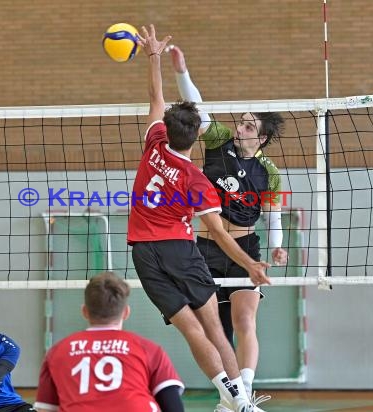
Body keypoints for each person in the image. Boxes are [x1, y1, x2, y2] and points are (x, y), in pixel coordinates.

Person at [127, 24, 272, 412]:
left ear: (167, 130)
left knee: (193, 330)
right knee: (213, 327)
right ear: (197, 140)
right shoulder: (197, 181)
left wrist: (153, 56)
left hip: (142, 252)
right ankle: (241, 403)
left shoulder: (153, 142)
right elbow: (223, 237)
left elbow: (155, 96)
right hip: (181, 249)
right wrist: (252, 265)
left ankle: (231, 398)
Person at [169, 45, 289, 411]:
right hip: (204, 248)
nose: (240, 126)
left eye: (249, 125)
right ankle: (230, 397)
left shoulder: (269, 172)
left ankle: (245, 393)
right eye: (242, 120)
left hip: (244, 248)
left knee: (244, 318)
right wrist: (182, 71)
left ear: (262, 137)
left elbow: (273, 216)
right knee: (211, 331)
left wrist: (277, 246)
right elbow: (198, 107)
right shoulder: (219, 141)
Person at [33, 272, 185, 412]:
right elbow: (173, 405)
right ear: (126, 312)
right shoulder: (149, 349)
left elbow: (45, 409)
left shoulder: (57, 352)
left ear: (84, 311)